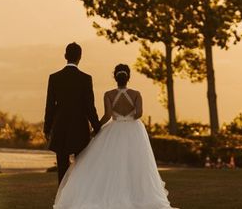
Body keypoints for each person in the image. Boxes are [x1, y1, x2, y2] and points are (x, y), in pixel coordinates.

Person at [53, 63, 174, 209]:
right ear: (128, 77)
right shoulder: (136, 94)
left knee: (112, 162)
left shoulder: (109, 94)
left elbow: (108, 115)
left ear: (115, 77)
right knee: (136, 164)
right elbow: (139, 114)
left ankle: (112, 192)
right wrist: (128, 116)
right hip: (133, 130)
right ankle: (136, 194)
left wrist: (97, 127)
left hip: (114, 129)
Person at [44, 42, 102, 184]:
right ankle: (79, 195)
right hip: (80, 128)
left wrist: (47, 128)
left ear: (65, 56)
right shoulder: (86, 78)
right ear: (80, 57)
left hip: (60, 127)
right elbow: (90, 107)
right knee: (81, 165)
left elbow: (50, 106)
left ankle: (62, 199)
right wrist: (97, 127)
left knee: (62, 167)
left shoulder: (54, 77)